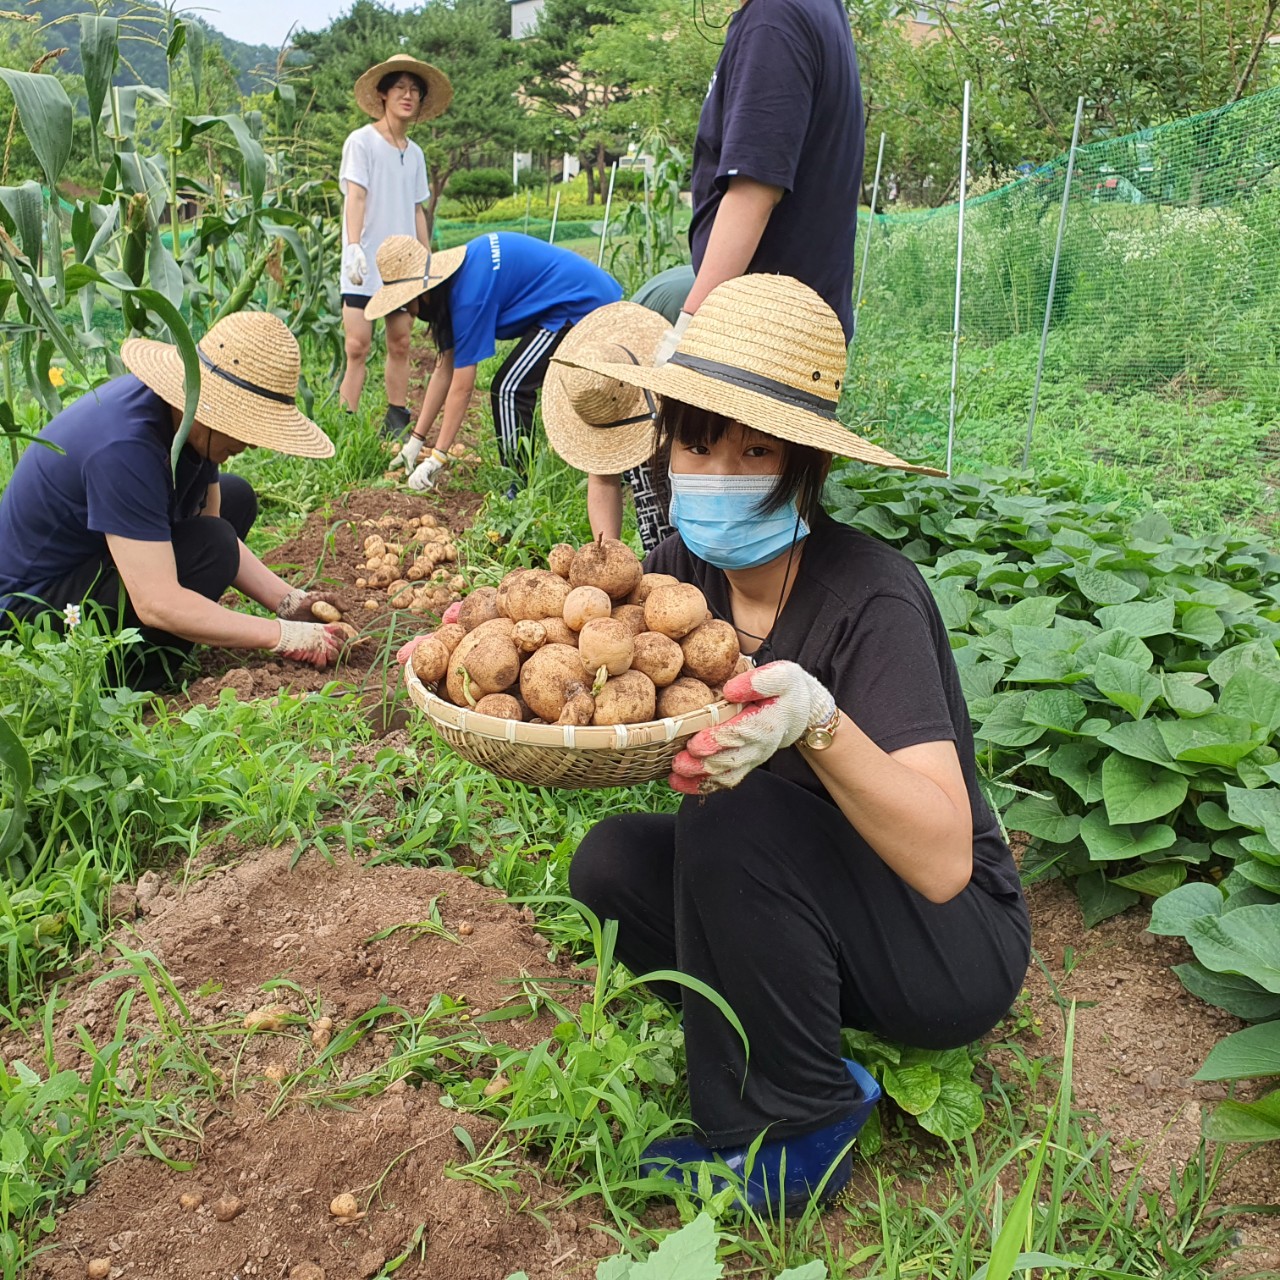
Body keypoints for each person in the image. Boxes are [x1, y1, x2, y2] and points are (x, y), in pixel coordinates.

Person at [549, 275, 1031, 1212]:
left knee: (738, 812)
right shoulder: (684, 571)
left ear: (806, 464)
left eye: (756, 450)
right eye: (696, 441)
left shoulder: (870, 596)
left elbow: (940, 860)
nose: (718, 473)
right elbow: (620, 687)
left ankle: (796, 1128)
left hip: (944, 943)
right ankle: (798, 1041)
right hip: (818, 910)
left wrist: (818, 722)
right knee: (610, 863)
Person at [0, 312, 350, 691]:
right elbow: (156, 601)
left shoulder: (187, 422)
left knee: (236, 499)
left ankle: (177, 635)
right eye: (246, 427)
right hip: (32, 618)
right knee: (212, 546)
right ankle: (127, 677)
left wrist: (288, 602)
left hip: (90, 562)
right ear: (214, 406)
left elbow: (211, 521)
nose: (250, 442)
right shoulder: (125, 448)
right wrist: (282, 636)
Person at [655, 0, 863, 363]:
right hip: (792, 335)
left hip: (756, 341)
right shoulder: (815, 8)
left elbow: (754, 192)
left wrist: (687, 334)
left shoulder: (773, 16)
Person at [366, 233, 622, 492]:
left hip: (580, 302)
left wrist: (438, 457)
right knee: (509, 385)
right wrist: (416, 442)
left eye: (402, 303)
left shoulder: (468, 296)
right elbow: (443, 370)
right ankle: (521, 478)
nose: (406, 312)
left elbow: (463, 386)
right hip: (569, 300)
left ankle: (519, 486)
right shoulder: (451, 287)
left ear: (420, 291)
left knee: (509, 388)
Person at [338, 54, 453, 435]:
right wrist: (353, 246)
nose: (408, 95)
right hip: (364, 262)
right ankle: (345, 421)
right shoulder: (362, 142)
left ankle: (396, 417)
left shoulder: (416, 153)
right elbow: (355, 197)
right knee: (357, 345)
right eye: (400, 88)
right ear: (383, 94)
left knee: (401, 341)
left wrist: (427, 261)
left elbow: (417, 210)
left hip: (402, 264)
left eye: (415, 90)